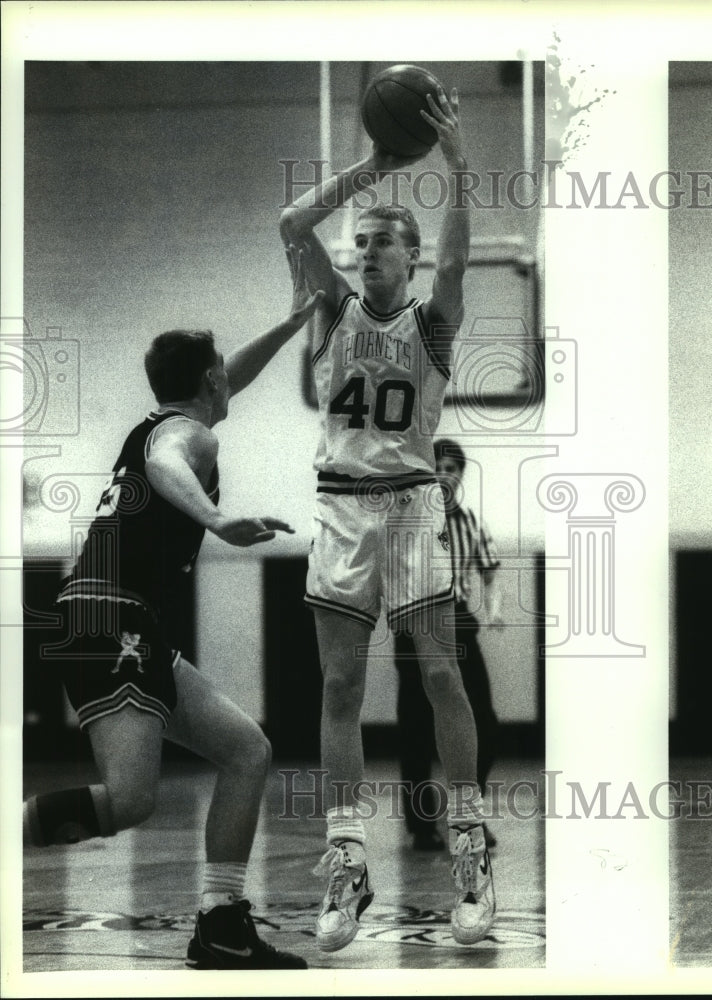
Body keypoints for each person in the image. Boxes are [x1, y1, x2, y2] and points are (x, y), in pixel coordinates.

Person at [22, 251, 322, 971]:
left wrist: (289, 325)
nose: (231, 381)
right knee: (130, 801)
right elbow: (168, 465)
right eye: (224, 373)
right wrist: (217, 521)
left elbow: (214, 395)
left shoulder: (170, 415)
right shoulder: (184, 436)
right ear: (210, 382)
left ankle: (221, 925)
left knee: (247, 750)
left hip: (115, 616)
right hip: (109, 617)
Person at [279, 84, 496, 951]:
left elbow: (457, 263)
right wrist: (376, 166)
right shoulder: (330, 308)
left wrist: (455, 168)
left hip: (409, 510)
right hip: (339, 507)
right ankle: (345, 864)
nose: (367, 251)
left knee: (440, 678)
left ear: (408, 260)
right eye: (361, 243)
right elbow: (292, 224)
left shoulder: (431, 320)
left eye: (383, 244)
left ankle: (472, 850)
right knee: (337, 688)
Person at [395, 438, 502, 852]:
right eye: (439, 465)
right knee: (416, 728)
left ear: (460, 476)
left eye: (454, 468)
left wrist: (493, 609)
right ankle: (422, 824)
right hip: (414, 620)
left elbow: (491, 573)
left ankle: (468, 815)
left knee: (484, 723)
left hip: (458, 621)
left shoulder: (470, 521)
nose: (446, 473)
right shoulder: (406, 518)